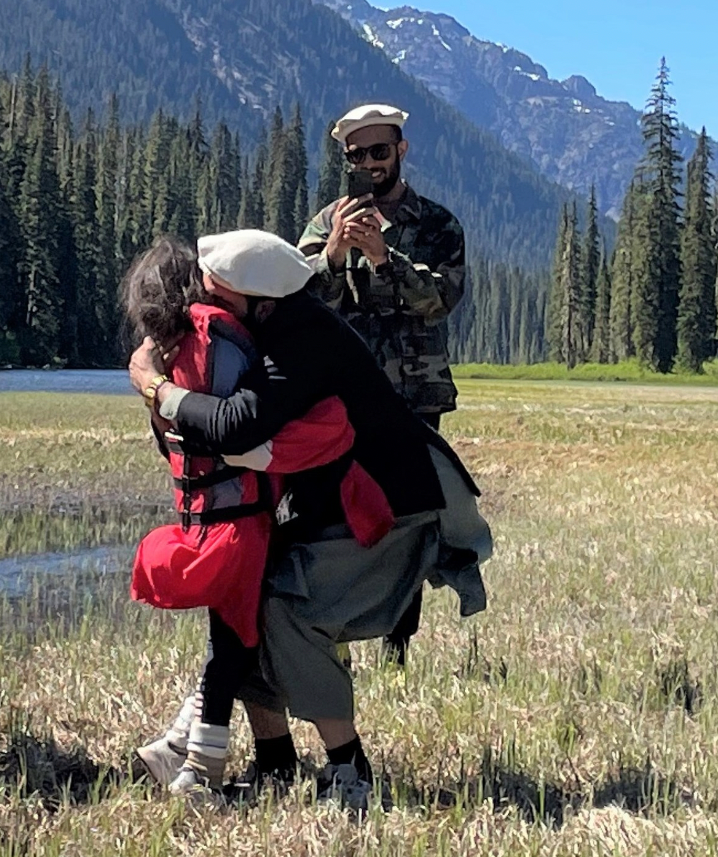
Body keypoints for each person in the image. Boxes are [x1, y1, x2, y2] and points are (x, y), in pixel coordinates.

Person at [129, 229, 489, 806]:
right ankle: (272, 763)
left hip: (390, 509)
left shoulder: (299, 343)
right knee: (250, 594)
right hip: (343, 500)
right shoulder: (277, 327)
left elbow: (236, 426)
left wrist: (157, 388)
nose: (209, 307)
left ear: (261, 303)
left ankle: (349, 771)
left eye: (219, 299)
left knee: (282, 609)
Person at [122, 238, 374, 798]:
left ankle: (194, 753)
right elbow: (237, 429)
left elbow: (226, 429)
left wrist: (155, 388)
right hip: (244, 521)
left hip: (216, 520)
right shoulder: (226, 343)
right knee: (241, 635)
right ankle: (212, 764)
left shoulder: (180, 352)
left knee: (240, 634)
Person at [299, 103, 466, 663]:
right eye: (357, 154)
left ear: (401, 150)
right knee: (332, 520)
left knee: (410, 523)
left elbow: (441, 300)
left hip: (414, 398)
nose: (369, 163)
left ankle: (398, 647)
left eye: (379, 151)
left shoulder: (438, 225)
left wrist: (384, 259)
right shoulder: (326, 223)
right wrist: (334, 255)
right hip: (341, 401)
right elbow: (299, 307)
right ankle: (335, 641)